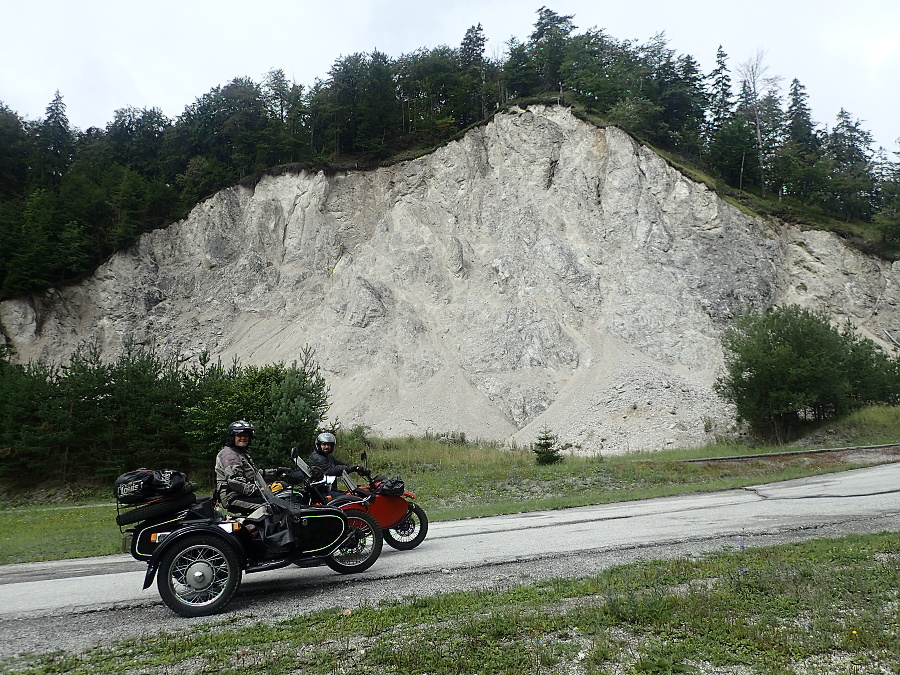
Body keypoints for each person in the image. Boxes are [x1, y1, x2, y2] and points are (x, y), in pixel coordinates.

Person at [214, 420, 289, 520]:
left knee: (281, 499)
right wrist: (263, 490)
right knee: (273, 508)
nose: (243, 438)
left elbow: (254, 474)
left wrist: (277, 472)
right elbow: (236, 483)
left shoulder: (240, 453)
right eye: (239, 435)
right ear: (232, 437)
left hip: (242, 494)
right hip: (232, 496)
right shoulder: (230, 455)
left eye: (246, 435)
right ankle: (249, 531)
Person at [307, 432, 367, 497]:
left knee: (351, 494)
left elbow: (340, 463)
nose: (327, 447)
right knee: (350, 499)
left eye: (329, 445)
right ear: (319, 445)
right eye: (324, 444)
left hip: (326, 489)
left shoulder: (327, 456)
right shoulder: (317, 457)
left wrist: (355, 467)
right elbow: (332, 470)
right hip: (321, 493)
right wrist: (353, 468)